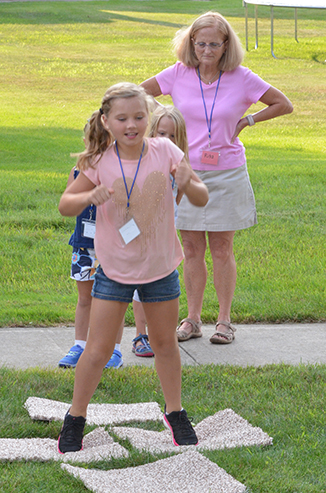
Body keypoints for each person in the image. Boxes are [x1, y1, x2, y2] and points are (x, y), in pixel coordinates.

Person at [57, 82, 209, 453]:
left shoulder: (165, 150)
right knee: (98, 348)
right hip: (114, 270)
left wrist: (189, 183)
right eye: (122, 118)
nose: (132, 125)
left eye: (140, 117)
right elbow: (65, 204)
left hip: (160, 269)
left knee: (164, 344)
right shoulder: (96, 161)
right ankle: (76, 417)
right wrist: (86, 195)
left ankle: (174, 412)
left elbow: (201, 198)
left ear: (149, 117)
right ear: (106, 121)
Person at [141, 11, 293, 345]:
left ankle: (224, 322)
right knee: (191, 248)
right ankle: (192, 319)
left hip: (227, 173)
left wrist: (249, 120)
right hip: (184, 172)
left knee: (222, 248)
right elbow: (140, 94)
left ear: (226, 45)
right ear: (191, 43)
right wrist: (162, 121)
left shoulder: (241, 77)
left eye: (214, 44)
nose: (206, 50)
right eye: (201, 43)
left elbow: (283, 104)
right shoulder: (178, 73)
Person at [58, 123, 124, 369]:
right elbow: (67, 202)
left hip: (115, 248)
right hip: (84, 246)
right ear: (85, 142)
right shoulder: (78, 172)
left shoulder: (122, 174)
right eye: (92, 142)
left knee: (115, 300)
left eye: (104, 144)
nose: (97, 150)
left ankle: (114, 351)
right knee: (85, 298)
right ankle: (80, 346)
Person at [132, 105, 192, 357]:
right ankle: (140, 334)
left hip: (163, 237)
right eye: (161, 134)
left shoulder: (179, 169)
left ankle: (160, 335)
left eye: (172, 136)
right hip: (136, 232)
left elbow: (175, 203)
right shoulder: (142, 162)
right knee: (138, 282)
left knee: (160, 282)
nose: (166, 141)